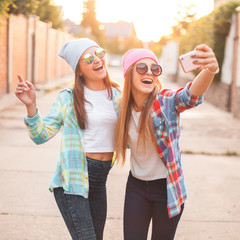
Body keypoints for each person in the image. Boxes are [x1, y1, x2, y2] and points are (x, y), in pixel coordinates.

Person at [15, 38, 121, 240]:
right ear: (79, 70)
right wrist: (31, 107)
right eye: (88, 58)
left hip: (100, 180)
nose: (97, 60)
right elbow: (40, 136)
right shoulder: (68, 98)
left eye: (99, 53)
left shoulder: (117, 96)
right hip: (73, 181)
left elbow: (131, 135)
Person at [115, 44, 219, 240]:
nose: (149, 73)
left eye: (155, 69)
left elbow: (188, 96)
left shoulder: (164, 102)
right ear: (128, 73)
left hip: (167, 189)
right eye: (141, 68)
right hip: (136, 186)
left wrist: (210, 70)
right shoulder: (121, 110)